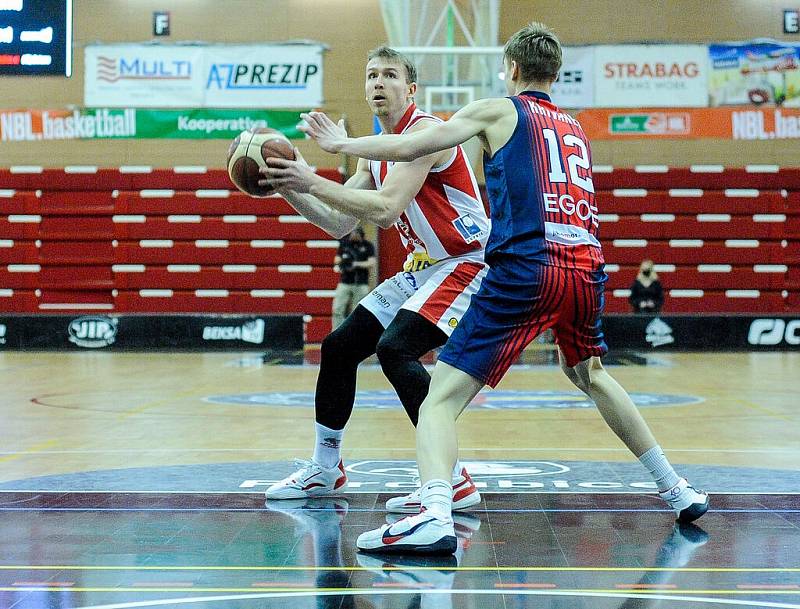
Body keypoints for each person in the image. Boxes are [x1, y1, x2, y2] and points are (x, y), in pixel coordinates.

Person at [299, 22, 709, 555]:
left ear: (511, 69)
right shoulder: (575, 129)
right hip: (585, 267)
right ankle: (675, 488)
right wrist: (303, 183)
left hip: (522, 268)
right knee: (593, 376)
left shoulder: (498, 110)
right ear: (556, 73)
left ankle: (434, 510)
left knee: (439, 400)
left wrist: (340, 143)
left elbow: (414, 144)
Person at [260, 46, 490, 514]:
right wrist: (287, 186)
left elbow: (386, 210)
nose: (378, 82)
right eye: (371, 75)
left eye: (389, 74)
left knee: (396, 349)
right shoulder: (373, 152)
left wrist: (310, 177)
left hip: (466, 261)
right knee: (339, 347)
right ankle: (326, 468)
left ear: (411, 88)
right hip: (425, 265)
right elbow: (338, 222)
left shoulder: (425, 133)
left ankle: (453, 479)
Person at [332, 226, 375, 329]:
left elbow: (371, 262)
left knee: (358, 311)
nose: (354, 236)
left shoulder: (368, 246)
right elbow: (337, 259)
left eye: (356, 234)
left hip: (361, 282)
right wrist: (344, 261)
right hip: (345, 281)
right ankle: (336, 332)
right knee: (338, 308)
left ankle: (356, 334)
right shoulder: (344, 244)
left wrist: (356, 264)